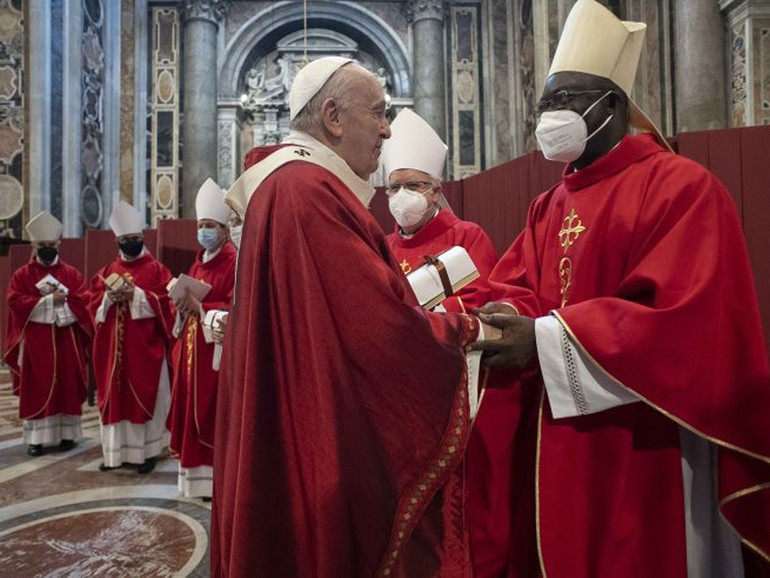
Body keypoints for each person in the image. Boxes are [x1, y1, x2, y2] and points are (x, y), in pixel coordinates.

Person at [471, 1, 770, 576]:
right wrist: (506, 313)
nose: (550, 116)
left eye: (565, 100)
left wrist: (547, 339)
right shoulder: (550, 202)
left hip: (647, 433)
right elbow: (520, 282)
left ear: (611, 106)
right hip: (558, 428)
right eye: (545, 104)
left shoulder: (682, 187)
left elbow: (684, 318)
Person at [212, 57, 497, 577]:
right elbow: (378, 332)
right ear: (333, 117)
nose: (388, 128)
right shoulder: (310, 191)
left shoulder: (288, 185)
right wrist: (474, 330)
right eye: (379, 113)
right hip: (317, 434)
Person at [382, 107, 498, 313]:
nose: (401, 195)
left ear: (435, 192)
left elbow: (481, 298)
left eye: (412, 186)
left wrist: (420, 319)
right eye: (394, 188)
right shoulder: (384, 247)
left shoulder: (468, 237)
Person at [88, 201, 173, 475]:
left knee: (145, 398)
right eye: (126, 240)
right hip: (112, 349)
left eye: (135, 239)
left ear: (143, 238)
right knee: (114, 397)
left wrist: (136, 294)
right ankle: (114, 454)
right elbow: (89, 305)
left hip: (144, 350)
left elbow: (167, 303)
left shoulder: (157, 270)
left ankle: (146, 453)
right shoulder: (106, 272)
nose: (131, 243)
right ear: (117, 241)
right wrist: (108, 298)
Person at [167, 178, 236, 499]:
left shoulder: (235, 262)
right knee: (190, 411)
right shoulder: (197, 263)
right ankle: (193, 478)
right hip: (191, 350)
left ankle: (213, 479)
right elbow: (186, 307)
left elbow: (241, 308)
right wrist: (181, 307)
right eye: (201, 225)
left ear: (224, 230)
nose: (204, 231)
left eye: (210, 225)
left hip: (216, 355)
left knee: (213, 416)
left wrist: (202, 308)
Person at [4, 211, 91, 456]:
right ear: (33, 246)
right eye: (42, 245)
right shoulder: (22, 275)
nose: (47, 249)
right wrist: (47, 302)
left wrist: (64, 304)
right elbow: (15, 302)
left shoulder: (71, 274)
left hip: (65, 340)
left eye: (51, 245)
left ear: (58, 245)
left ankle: (67, 436)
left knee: (66, 386)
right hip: (36, 342)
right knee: (37, 388)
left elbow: (83, 302)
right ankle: (36, 440)